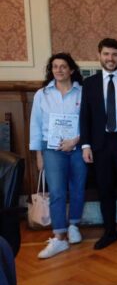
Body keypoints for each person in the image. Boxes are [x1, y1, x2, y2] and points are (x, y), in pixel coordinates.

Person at [29, 53, 87, 259]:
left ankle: (74, 225)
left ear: (71, 70)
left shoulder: (82, 92)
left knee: (78, 187)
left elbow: (89, 121)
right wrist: (39, 154)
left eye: (63, 66)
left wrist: (76, 140)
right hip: (51, 149)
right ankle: (59, 235)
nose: (59, 70)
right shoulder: (42, 94)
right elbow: (35, 125)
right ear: (51, 70)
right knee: (57, 191)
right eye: (55, 66)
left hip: (77, 147)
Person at [80, 38, 117, 250]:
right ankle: (109, 231)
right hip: (100, 144)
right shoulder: (89, 83)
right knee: (105, 189)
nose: (110, 58)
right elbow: (85, 116)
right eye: (106, 54)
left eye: (114, 54)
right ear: (99, 55)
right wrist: (85, 145)